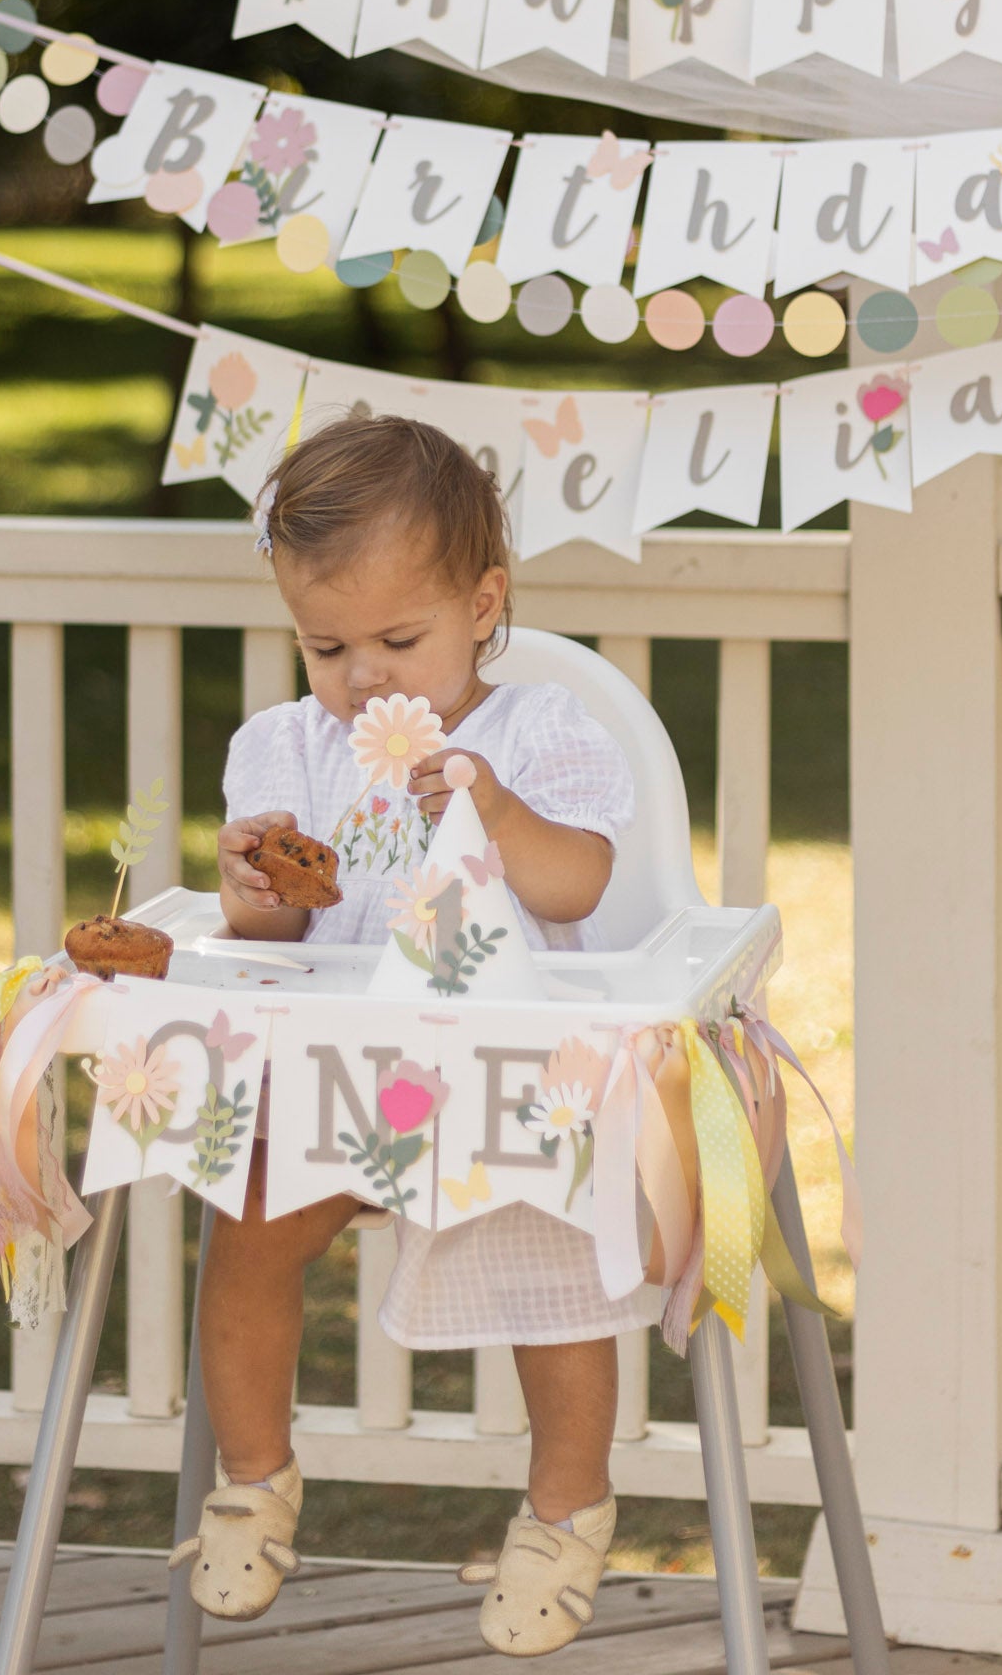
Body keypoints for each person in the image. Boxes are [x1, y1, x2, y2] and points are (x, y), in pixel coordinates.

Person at [180, 412, 644, 1658]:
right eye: (326, 643)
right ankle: (255, 1474)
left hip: (499, 1078)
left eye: (399, 638)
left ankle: (564, 1508)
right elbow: (262, 937)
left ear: (482, 603)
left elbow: (577, 884)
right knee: (244, 1229)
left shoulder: (535, 735)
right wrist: (250, 888)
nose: (364, 676)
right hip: (338, 1078)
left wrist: (491, 807)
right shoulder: (285, 745)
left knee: (552, 1270)